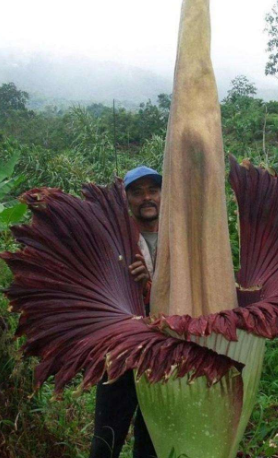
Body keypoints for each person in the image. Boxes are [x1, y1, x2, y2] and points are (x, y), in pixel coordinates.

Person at [89, 166, 162, 458]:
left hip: (163, 351)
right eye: (137, 192)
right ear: (127, 199)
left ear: (162, 195)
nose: (146, 198)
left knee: (151, 440)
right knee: (107, 439)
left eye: (152, 190)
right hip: (120, 353)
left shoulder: (179, 239)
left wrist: (150, 283)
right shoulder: (114, 241)